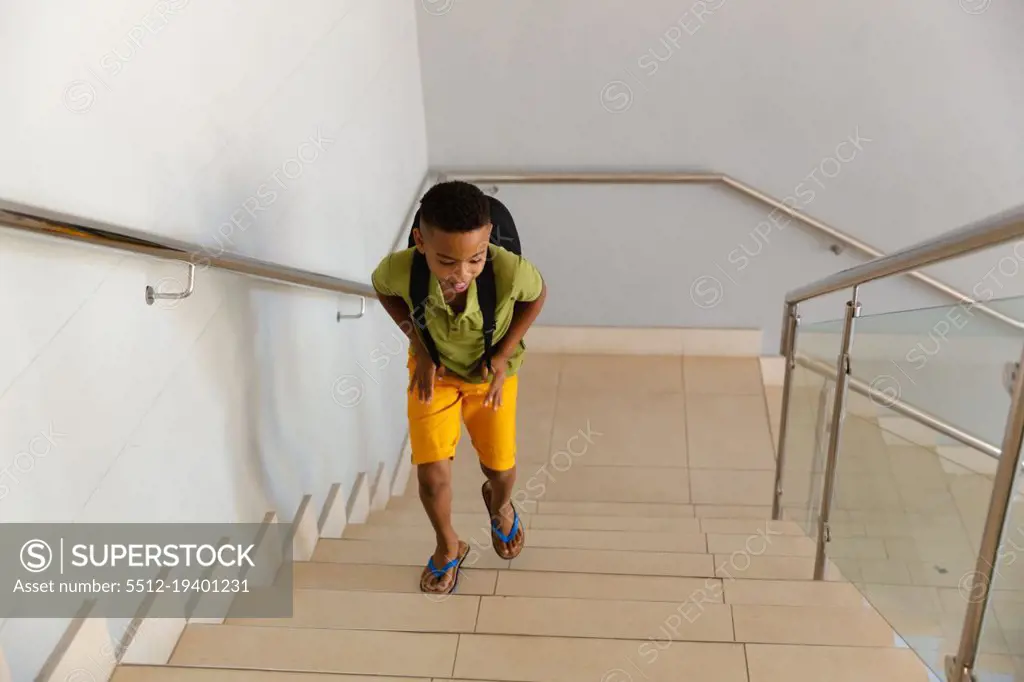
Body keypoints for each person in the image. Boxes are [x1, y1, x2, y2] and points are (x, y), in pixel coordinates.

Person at [371, 180, 547, 594]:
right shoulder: (401, 269)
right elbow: (382, 289)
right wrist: (419, 344)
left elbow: (536, 298)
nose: (461, 274)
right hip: (435, 374)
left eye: (475, 259)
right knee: (431, 477)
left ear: (488, 242)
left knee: (500, 471)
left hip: (490, 376)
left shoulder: (509, 270)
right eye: (447, 261)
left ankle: (499, 504)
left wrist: (502, 355)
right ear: (420, 242)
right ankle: (447, 545)